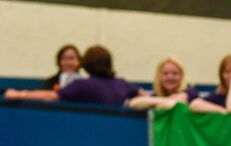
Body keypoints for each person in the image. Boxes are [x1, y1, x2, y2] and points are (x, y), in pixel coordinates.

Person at [5, 45, 141, 106]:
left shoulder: (82, 85)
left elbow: (52, 95)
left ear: (84, 63)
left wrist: (19, 94)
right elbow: (142, 94)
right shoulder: (122, 83)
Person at [128, 58, 200, 111]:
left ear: (182, 76)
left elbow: (179, 100)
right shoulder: (156, 95)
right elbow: (133, 103)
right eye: (165, 74)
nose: (170, 77)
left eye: (175, 73)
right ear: (159, 77)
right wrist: (163, 100)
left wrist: (153, 102)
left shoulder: (191, 92)